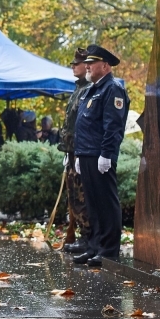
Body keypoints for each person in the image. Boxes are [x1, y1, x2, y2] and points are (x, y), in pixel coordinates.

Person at [72, 44, 129, 268]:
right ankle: (94, 246)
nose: (86, 66)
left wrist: (107, 153)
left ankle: (108, 250)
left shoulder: (112, 89)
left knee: (106, 203)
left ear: (104, 66)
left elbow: (112, 126)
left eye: (91, 63)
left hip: (99, 156)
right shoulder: (91, 89)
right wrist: (78, 154)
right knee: (93, 204)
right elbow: (84, 125)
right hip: (86, 154)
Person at [58, 48, 92, 254]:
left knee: (82, 196)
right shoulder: (78, 89)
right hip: (72, 151)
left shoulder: (88, 89)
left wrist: (77, 150)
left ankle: (87, 236)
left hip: (80, 151)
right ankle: (82, 235)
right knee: (73, 197)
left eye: (76, 63)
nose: (73, 66)